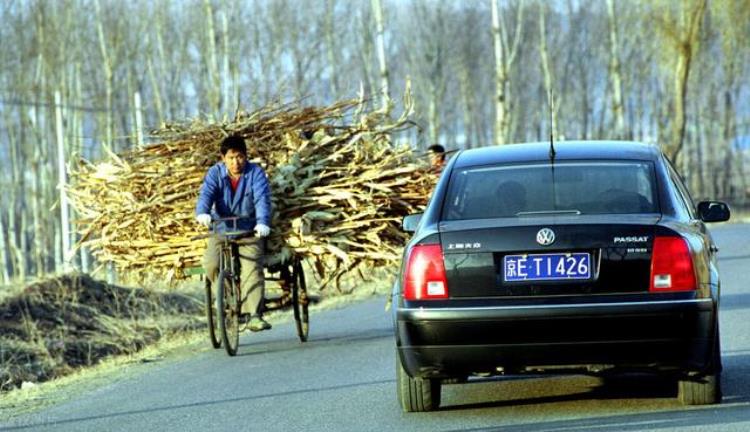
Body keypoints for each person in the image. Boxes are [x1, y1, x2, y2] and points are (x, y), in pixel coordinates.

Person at [195, 135, 273, 332]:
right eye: (230, 157)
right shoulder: (215, 173)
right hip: (222, 229)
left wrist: (262, 223)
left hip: (249, 230)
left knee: (252, 268)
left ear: (245, 156)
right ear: (223, 158)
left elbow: (262, 199)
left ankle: (254, 314)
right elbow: (206, 194)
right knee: (211, 263)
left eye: (239, 157)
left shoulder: (255, 173)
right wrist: (202, 212)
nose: (235, 162)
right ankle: (225, 297)